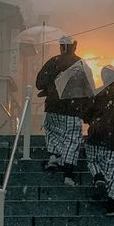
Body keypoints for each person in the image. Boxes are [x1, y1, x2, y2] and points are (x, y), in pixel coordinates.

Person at [81, 65, 114, 216]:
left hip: (95, 135)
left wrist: (92, 120)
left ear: (103, 77)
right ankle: (112, 206)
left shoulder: (97, 92)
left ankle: (98, 176)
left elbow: (86, 114)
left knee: (93, 160)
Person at [35, 36, 84, 186]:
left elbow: (39, 83)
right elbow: (86, 87)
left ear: (61, 47)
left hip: (53, 105)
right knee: (72, 139)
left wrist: (51, 85)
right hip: (73, 108)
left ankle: (53, 156)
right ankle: (68, 174)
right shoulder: (80, 64)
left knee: (52, 130)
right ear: (73, 47)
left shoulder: (53, 61)